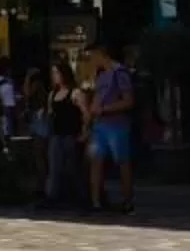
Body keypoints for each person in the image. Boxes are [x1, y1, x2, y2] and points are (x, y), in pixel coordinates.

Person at [86, 40, 138, 215]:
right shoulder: (100, 75)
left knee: (122, 162)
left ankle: (127, 201)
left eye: (93, 56)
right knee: (96, 161)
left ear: (101, 54)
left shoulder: (119, 73)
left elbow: (128, 101)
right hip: (100, 125)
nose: (91, 60)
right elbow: (97, 97)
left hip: (117, 125)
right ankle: (95, 203)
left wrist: (104, 109)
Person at [42, 59, 86, 208]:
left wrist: (85, 131)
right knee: (54, 167)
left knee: (72, 166)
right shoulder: (52, 94)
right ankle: (52, 196)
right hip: (56, 134)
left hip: (71, 134)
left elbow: (85, 114)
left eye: (57, 73)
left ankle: (80, 196)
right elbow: (50, 113)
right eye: (53, 73)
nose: (54, 76)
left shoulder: (75, 92)